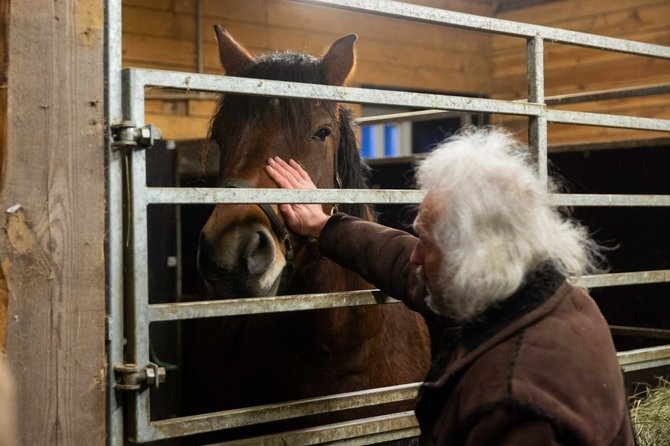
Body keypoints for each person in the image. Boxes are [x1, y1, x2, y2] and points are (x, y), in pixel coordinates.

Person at [265, 126, 634, 446]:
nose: (415, 258)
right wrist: (324, 225)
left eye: (426, 241)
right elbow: (403, 262)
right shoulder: (559, 300)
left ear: (472, 258)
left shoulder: (513, 406)